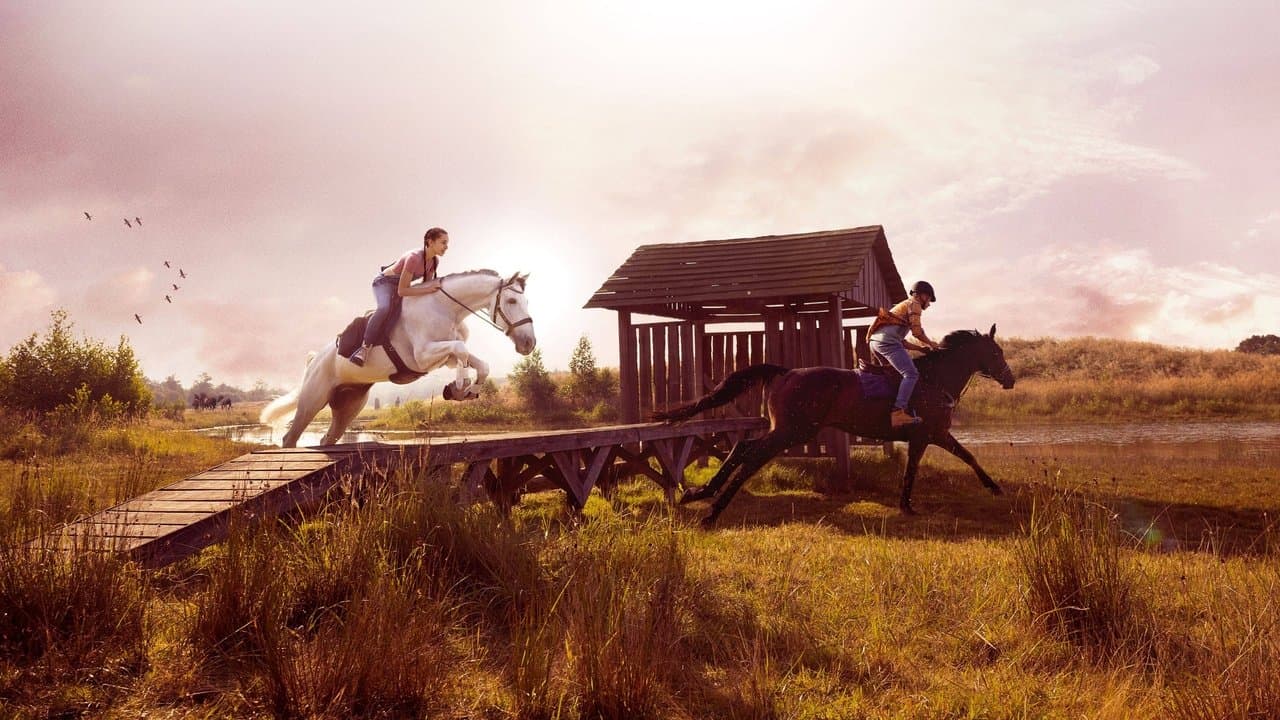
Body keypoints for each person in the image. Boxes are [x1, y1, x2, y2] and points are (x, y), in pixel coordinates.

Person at [349, 227, 449, 367]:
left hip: (401, 286)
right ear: (430, 242)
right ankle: (364, 349)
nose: (446, 247)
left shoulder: (434, 261)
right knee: (384, 308)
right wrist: (428, 289)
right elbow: (402, 291)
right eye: (443, 242)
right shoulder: (414, 258)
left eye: (447, 243)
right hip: (384, 283)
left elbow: (424, 287)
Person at [867, 280, 941, 428]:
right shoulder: (915, 304)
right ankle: (898, 412)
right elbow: (917, 332)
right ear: (921, 295)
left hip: (876, 342)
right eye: (929, 299)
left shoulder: (904, 306)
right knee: (911, 374)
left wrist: (920, 349)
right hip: (887, 343)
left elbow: (902, 342)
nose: (929, 303)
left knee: (892, 376)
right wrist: (930, 343)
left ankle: (885, 407)